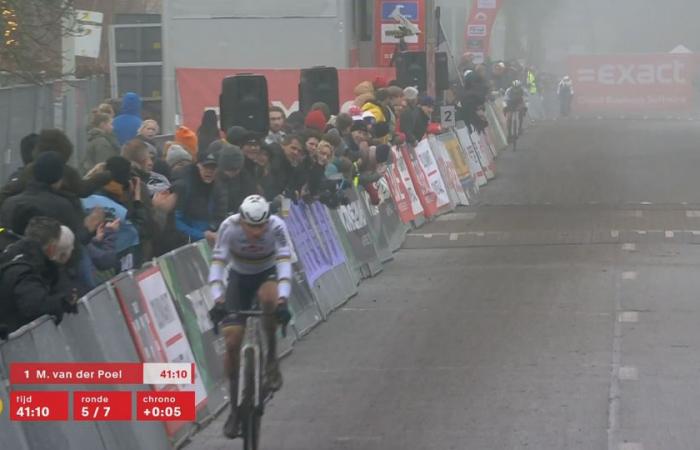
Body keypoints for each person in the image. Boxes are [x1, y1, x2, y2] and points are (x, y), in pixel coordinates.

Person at [207, 195, 292, 439]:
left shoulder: (276, 226)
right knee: (232, 342)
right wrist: (218, 299)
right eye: (251, 226)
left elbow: (285, 263)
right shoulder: (228, 227)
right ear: (241, 220)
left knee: (269, 299)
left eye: (261, 225)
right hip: (239, 279)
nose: (257, 232)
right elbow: (217, 264)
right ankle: (234, 410)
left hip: (267, 273)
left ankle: (272, 360)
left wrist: (282, 300)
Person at [0, 216, 78, 339]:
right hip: (18, 345)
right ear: (52, 248)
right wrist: (63, 301)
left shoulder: (12, 255)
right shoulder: (23, 270)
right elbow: (34, 306)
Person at [172, 146, 219, 244]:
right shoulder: (183, 186)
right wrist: (201, 235)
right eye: (205, 167)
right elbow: (175, 221)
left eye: (213, 168)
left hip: (207, 240)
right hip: (186, 243)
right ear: (198, 166)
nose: (209, 171)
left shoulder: (215, 186)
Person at [212, 142, 256, 228]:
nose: (235, 172)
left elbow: (249, 197)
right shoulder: (213, 178)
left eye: (237, 169)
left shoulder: (242, 176)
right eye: (231, 169)